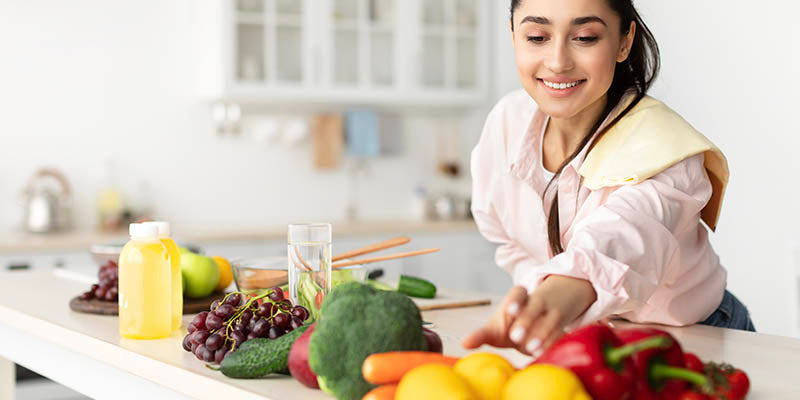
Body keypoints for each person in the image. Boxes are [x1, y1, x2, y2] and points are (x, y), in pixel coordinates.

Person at [462, 0, 755, 357]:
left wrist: (556, 296)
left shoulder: (664, 146)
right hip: (590, 342)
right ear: (513, 36)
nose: (557, 61)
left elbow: (625, 237)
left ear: (623, 42)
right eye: (537, 36)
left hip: (694, 339)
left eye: (585, 37)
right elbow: (508, 240)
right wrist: (539, 303)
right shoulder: (507, 121)